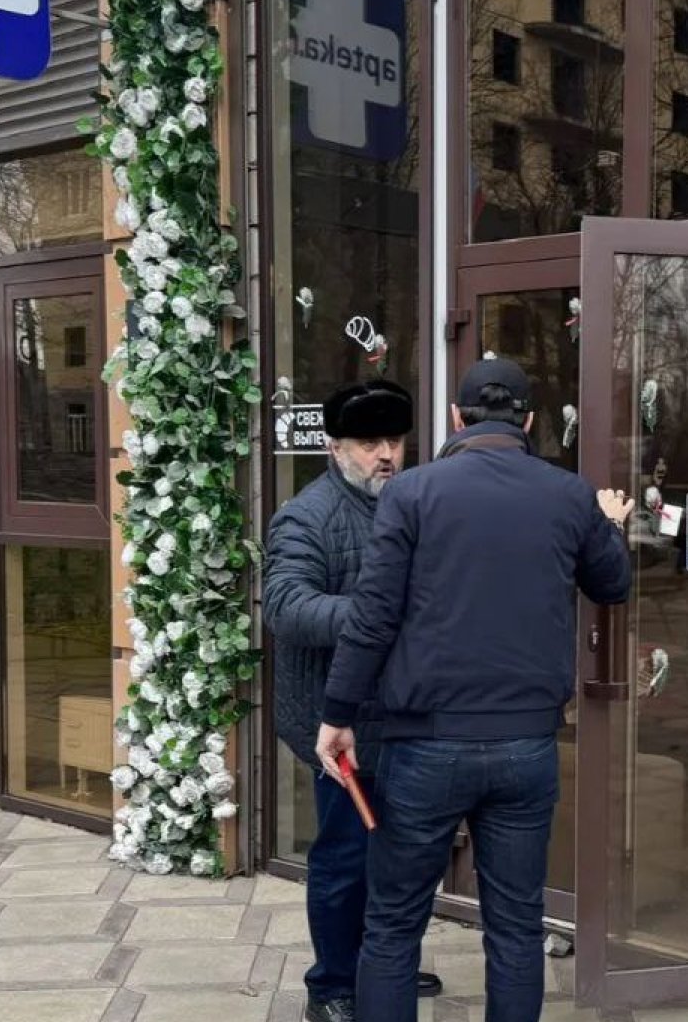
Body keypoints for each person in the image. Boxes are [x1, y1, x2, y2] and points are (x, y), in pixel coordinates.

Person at [316, 357, 635, 1022]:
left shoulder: (412, 493)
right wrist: (607, 525)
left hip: (424, 748)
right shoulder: (568, 494)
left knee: (393, 926)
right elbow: (612, 584)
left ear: (457, 418)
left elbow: (373, 616)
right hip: (526, 747)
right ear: (529, 421)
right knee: (516, 928)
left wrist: (337, 713)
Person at [262, 379, 442, 1022]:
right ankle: (332, 986)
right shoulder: (306, 516)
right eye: (369, 444)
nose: (386, 455)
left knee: (401, 854)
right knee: (345, 858)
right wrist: (375, 616)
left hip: (404, 718)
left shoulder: (414, 505)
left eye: (394, 440)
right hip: (336, 725)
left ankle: (383, 964)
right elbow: (286, 606)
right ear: (335, 448)